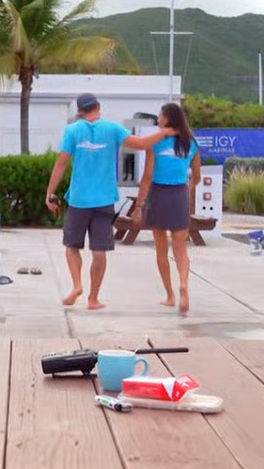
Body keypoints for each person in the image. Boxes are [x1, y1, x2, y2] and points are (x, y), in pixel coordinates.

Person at [45, 93, 175, 310]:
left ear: (80, 112)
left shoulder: (73, 131)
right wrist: (165, 132)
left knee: (72, 246)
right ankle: (93, 299)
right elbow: (142, 144)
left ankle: (77, 285)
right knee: (99, 251)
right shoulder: (113, 129)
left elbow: (61, 164)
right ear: (98, 107)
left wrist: (50, 193)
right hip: (104, 200)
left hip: (78, 200)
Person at [132, 101, 201, 315]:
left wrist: (139, 205)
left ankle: (171, 295)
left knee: (161, 248)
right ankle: (184, 285)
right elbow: (197, 177)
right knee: (181, 249)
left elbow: (147, 177)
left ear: (167, 118)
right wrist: (187, 188)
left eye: (160, 115)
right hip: (179, 195)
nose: (159, 118)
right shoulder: (191, 143)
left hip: (158, 195)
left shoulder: (157, 142)